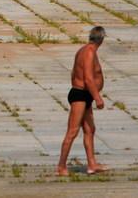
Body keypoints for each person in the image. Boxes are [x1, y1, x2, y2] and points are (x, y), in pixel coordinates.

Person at [57, 26, 108, 176]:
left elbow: (74, 73)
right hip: (80, 95)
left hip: (85, 95)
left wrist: (91, 96)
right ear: (102, 39)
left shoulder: (84, 50)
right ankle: (61, 166)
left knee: (89, 130)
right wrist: (97, 98)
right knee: (72, 131)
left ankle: (92, 165)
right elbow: (88, 78)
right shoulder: (89, 52)